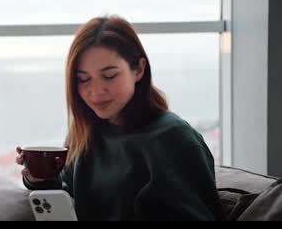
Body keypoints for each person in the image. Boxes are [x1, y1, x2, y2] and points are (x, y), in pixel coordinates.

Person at [16, 15, 224, 221]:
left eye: (109, 76)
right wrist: (39, 179)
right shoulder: (85, 131)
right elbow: (64, 194)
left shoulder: (175, 139)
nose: (96, 92)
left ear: (139, 70)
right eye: (83, 79)